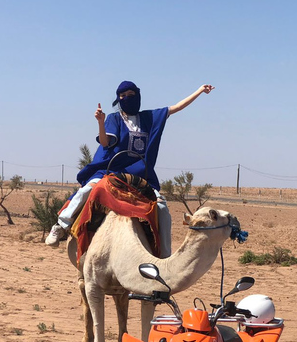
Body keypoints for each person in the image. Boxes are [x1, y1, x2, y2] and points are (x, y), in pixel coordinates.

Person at [45, 81, 215, 256]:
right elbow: (105, 143)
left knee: (162, 208)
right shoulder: (114, 119)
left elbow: (176, 107)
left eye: (130, 95)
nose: (126, 98)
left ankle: (164, 257)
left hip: (141, 175)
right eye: (122, 96)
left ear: (138, 96)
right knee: (89, 189)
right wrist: (101, 123)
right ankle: (61, 225)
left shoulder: (149, 118)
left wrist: (200, 91)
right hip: (112, 169)